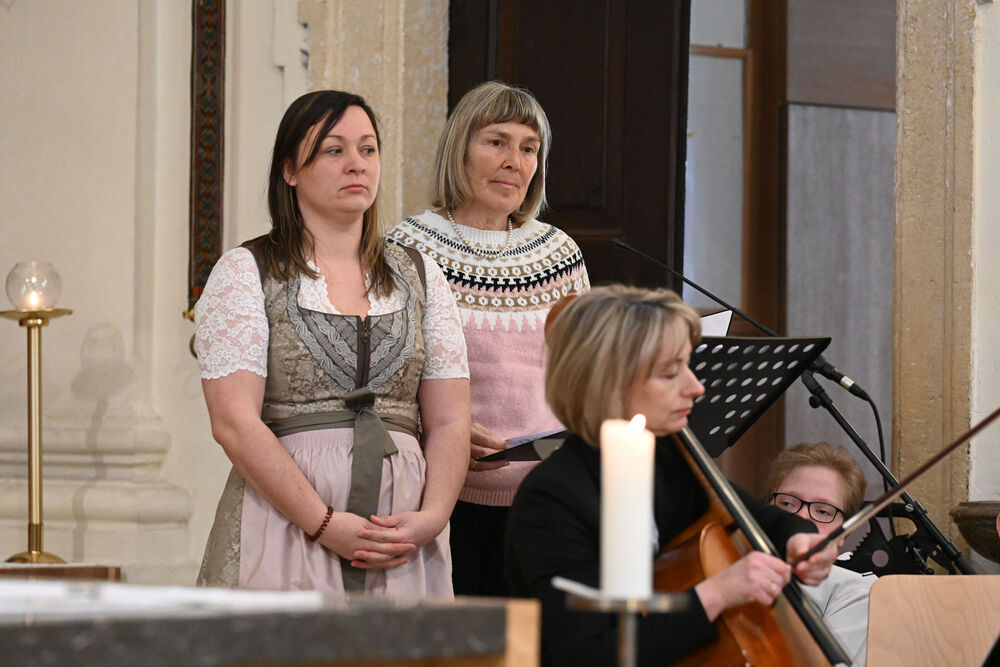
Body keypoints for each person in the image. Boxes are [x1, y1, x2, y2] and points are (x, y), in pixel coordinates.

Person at [194, 90, 471, 597]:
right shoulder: (247, 271)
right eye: (333, 150)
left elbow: (451, 419)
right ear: (290, 170)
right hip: (285, 527)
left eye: (368, 149)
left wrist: (432, 517)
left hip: (403, 537)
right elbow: (234, 423)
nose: (356, 164)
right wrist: (323, 523)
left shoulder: (419, 274)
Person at [505, 286, 838, 666]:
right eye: (670, 373)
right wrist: (715, 594)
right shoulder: (552, 499)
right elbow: (585, 654)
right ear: (608, 383)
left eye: (687, 365)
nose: (696, 387)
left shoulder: (670, 460)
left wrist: (801, 539)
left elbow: (762, 519)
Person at [388, 81, 589, 596]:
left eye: (529, 148)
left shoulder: (560, 252)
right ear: (460, 149)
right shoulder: (406, 247)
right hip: (441, 497)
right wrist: (440, 427)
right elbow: (383, 375)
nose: (514, 162)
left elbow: (583, 374)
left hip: (546, 497)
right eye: (496, 142)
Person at [765, 442, 877, 667]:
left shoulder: (856, 591)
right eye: (787, 503)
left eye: (823, 511)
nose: (801, 518)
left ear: (844, 533)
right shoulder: (731, 559)